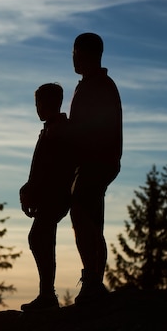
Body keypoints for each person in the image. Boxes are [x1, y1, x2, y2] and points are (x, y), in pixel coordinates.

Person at [69, 32, 123, 304]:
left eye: (75, 52)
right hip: (92, 162)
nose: (73, 58)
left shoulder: (100, 85)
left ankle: (92, 280)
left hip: (96, 162)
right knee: (87, 217)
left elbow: (98, 128)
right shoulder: (91, 84)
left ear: (87, 53)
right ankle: (92, 279)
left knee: (83, 215)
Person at [20, 83, 75, 312]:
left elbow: (51, 169)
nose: (37, 108)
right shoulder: (54, 128)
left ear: (43, 104)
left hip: (54, 196)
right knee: (41, 238)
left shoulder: (58, 130)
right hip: (51, 196)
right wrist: (29, 188)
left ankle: (47, 296)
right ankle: (46, 294)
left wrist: (33, 190)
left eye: (38, 104)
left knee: (40, 237)